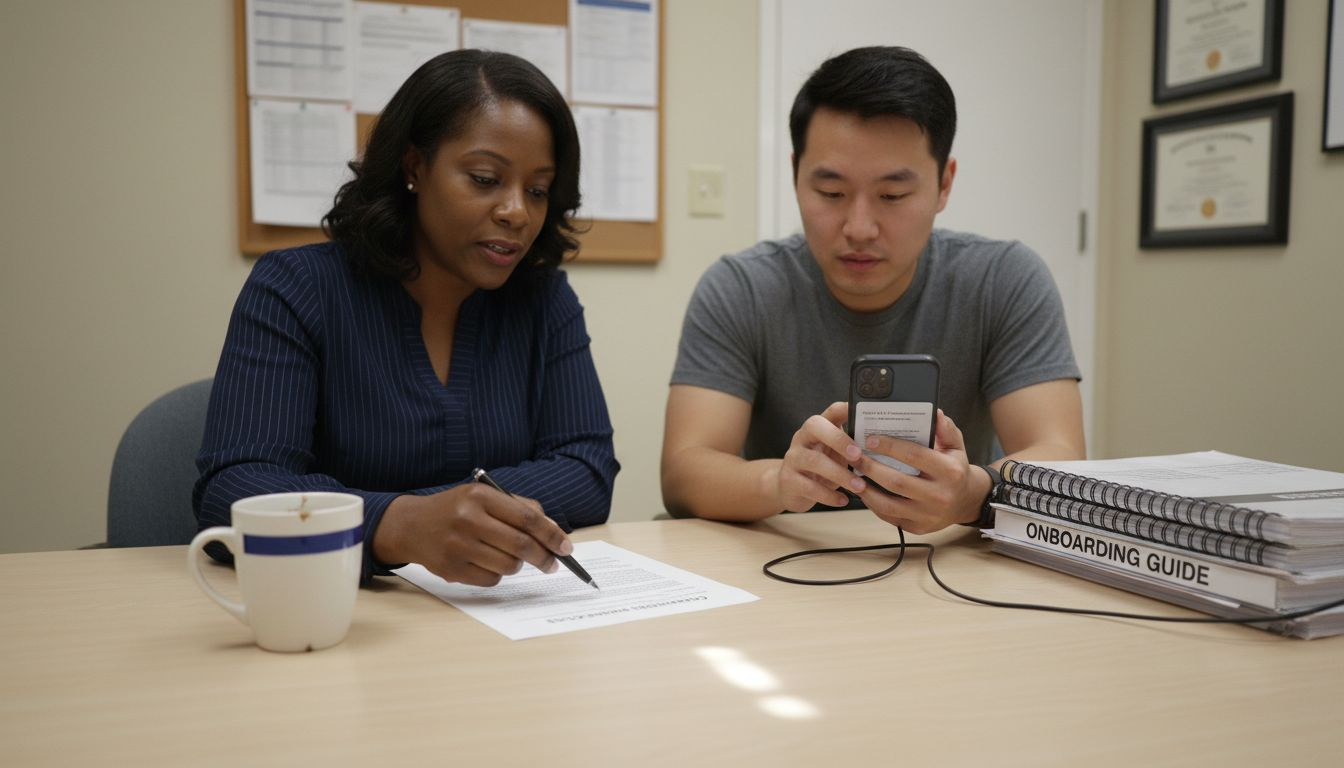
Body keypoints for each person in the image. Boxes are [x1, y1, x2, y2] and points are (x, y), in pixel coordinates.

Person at [194, 50, 619, 587]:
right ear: (414, 167)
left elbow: (587, 469)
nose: (517, 211)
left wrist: (439, 517)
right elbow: (234, 490)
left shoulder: (543, 299)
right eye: (485, 178)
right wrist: (399, 524)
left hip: (500, 616)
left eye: (537, 190)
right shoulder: (296, 289)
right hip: (338, 615)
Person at [661, 46, 1084, 532]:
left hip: (953, 561)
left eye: (893, 195)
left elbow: (1064, 458)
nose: (859, 227)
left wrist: (972, 493)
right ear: (795, 174)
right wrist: (779, 481)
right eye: (832, 193)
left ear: (944, 184)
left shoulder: (1004, 279)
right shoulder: (741, 288)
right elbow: (683, 471)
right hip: (787, 563)